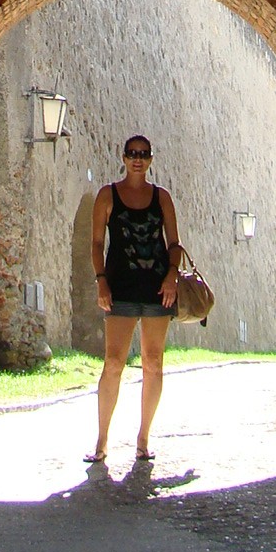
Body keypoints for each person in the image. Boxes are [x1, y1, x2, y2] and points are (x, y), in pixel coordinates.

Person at [86, 135, 182, 464]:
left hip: (158, 290)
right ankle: (102, 441)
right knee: (113, 362)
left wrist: (171, 276)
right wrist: (101, 280)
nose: (137, 159)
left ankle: (143, 439)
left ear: (151, 159)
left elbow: (174, 244)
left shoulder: (162, 197)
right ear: (124, 158)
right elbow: (96, 243)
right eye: (132, 153)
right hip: (121, 288)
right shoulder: (107, 195)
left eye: (143, 154)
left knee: (153, 363)